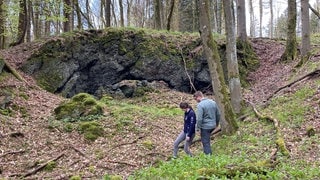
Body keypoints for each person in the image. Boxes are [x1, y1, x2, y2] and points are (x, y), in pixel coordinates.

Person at [193, 91, 220, 155]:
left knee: (205, 142)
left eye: (195, 99)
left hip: (205, 126)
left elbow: (199, 118)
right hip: (213, 125)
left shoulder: (200, 105)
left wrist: (198, 128)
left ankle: (208, 156)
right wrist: (217, 123)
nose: (196, 101)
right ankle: (207, 153)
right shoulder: (213, 102)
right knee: (207, 139)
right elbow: (218, 114)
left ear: (199, 96)